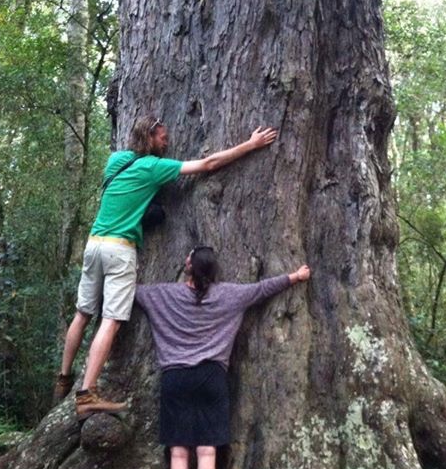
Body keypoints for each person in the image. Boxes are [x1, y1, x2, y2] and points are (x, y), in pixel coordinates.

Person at [53, 115, 278, 419]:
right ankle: (86, 394)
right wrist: (250, 145)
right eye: (162, 136)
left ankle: (64, 378)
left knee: (82, 313)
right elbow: (208, 164)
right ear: (150, 136)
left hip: (94, 244)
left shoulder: (116, 161)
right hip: (119, 249)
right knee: (112, 319)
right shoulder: (153, 167)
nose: (167, 141)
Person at [135, 246, 310, 469]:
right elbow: (262, 288)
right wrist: (295, 276)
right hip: (211, 378)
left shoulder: (162, 294)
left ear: (188, 266)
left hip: (175, 378)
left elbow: (131, 290)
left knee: (178, 452)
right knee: (206, 453)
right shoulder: (229, 295)